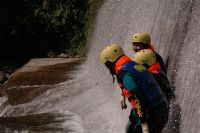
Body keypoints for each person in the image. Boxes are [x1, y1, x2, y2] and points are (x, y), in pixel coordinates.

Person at [100, 44, 169, 133]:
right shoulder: (133, 64)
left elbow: (138, 98)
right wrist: (123, 95)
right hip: (162, 110)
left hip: (153, 115)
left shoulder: (122, 73)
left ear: (110, 62)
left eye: (106, 65)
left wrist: (144, 125)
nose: (107, 68)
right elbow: (136, 83)